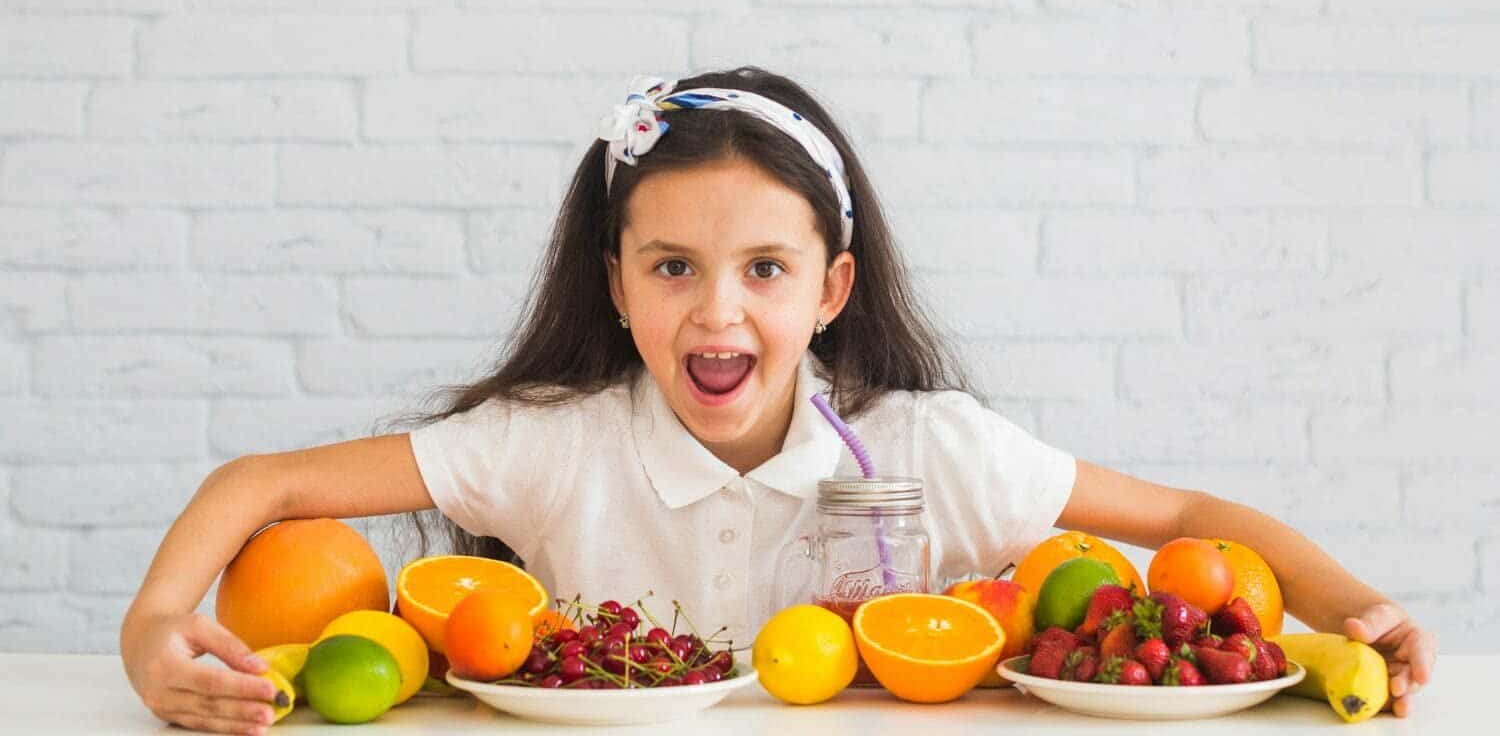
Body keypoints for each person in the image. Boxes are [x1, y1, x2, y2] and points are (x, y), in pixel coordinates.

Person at [120, 67, 1436, 734]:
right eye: (672, 268)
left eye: (764, 269)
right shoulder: (552, 446)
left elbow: (1193, 520)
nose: (717, 312)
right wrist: (153, 631)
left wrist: (1348, 611)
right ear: (616, 285)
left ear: (830, 289)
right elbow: (264, 485)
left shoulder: (929, 448)